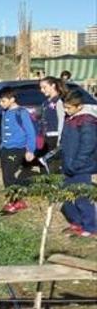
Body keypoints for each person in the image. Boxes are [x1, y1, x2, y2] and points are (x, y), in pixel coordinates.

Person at [59, 90, 97, 238]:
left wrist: (77, 163)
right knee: (67, 195)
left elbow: (88, 145)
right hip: (68, 164)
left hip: (81, 167)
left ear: (79, 106)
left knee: (82, 197)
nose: (66, 110)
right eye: (65, 107)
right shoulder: (70, 119)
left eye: (69, 107)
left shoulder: (87, 121)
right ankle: (77, 222)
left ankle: (90, 227)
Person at [0, 88, 37, 215]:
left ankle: (15, 202)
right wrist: (2, 146)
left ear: (12, 99)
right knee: (6, 176)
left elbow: (31, 132)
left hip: (17, 149)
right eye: (0, 101)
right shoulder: (5, 112)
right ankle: (16, 200)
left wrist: (30, 150)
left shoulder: (21, 113)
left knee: (9, 175)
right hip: (6, 148)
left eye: (3, 101)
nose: (0, 103)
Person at [38, 76, 67, 173]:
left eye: (44, 87)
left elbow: (61, 120)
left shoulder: (59, 101)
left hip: (54, 137)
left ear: (53, 86)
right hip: (45, 137)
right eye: (41, 88)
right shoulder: (45, 103)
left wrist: (60, 138)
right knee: (42, 163)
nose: (42, 90)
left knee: (53, 165)